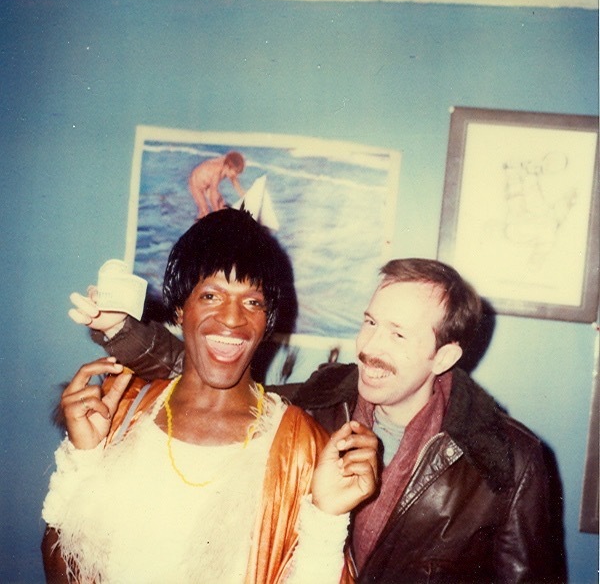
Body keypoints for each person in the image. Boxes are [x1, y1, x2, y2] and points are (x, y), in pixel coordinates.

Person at [70, 257, 560, 583]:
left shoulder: (508, 461)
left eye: (398, 335)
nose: (371, 349)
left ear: (445, 355)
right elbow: (206, 370)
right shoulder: (321, 403)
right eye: (369, 323)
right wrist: (120, 331)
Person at [42, 208, 378, 584]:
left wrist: (327, 518)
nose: (233, 319)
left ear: (267, 321)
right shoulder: (122, 412)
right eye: (212, 296)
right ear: (180, 308)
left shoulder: (302, 446)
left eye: (252, 302)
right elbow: (63, 563)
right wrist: (84, 458)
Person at [188, 151, 245, 219]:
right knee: (204, 210)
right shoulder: (217, 172)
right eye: (235, 173)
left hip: (208, 184)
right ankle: (198, 227)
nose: (236, 175)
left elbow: (237, 186)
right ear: (227, 167)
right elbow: (213, 195)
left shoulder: (229, 165)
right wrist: (217, 214)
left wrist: (245, 197)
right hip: (196, 184)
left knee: (221, 204)